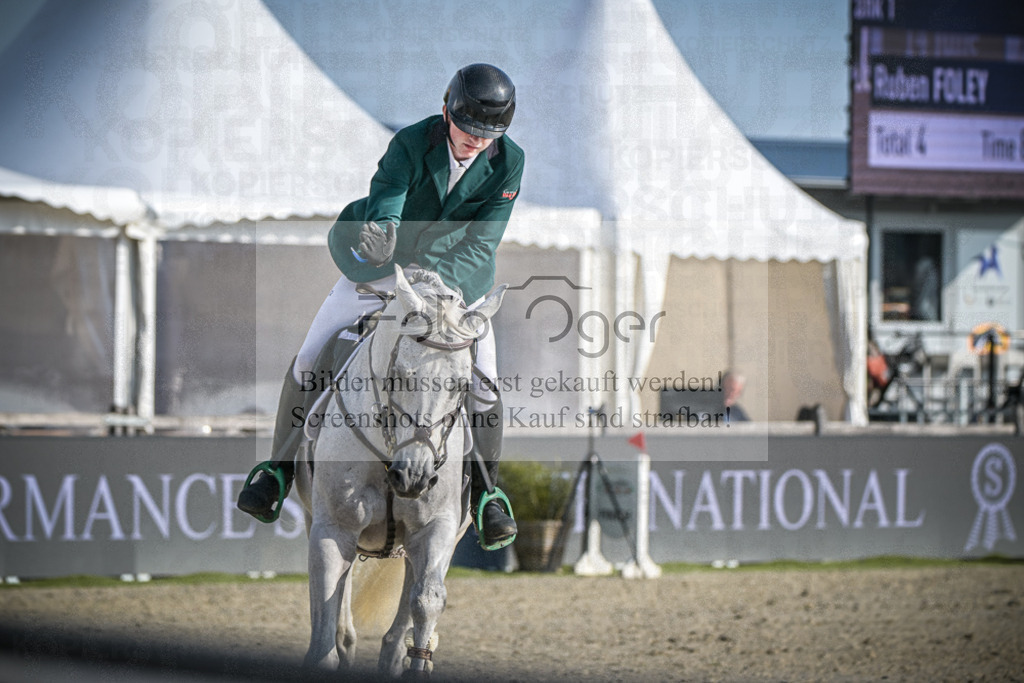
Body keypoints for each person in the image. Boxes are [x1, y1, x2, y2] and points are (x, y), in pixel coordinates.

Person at [237, 63, 523, 548]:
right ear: (446, 109)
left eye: (487, 134)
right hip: (381, 272)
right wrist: (384, 236)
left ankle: (486, 497)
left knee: (486, 384)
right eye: (468, 129)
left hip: (455, 284)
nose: (476, 141)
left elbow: (484, 240)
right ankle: (277, 471)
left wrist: (428, 285)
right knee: (310, 359)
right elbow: (387, 200)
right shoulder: (411, 143)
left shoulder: (508, 161)